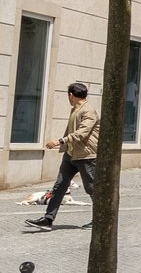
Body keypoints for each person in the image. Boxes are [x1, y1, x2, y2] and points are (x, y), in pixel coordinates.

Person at [26, 82, 100, 232]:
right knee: (59, 187)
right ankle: (48, 219)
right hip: (71, 155)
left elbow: (82, 133)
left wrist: (60, 141)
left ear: (71, 95)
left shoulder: (88, 111)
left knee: (92, 189)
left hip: (86, 156)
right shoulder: (75, 109)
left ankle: (100, 220)